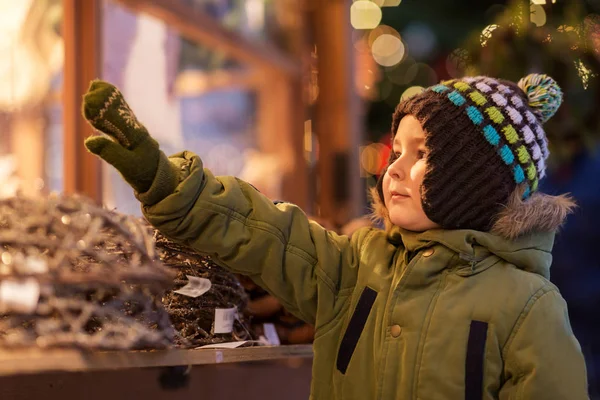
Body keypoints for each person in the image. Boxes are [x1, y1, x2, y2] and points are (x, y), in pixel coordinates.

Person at [81, 73, 589, 399]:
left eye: (422, 155)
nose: (394, 170)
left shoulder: (528, 305)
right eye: (397, 151)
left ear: (477, 181)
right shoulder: (357, 265)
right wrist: (169, 183)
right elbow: (265, 232)